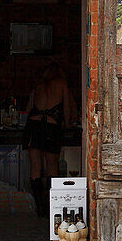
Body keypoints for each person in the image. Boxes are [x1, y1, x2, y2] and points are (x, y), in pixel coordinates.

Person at [24, 63, 76, 215]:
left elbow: (28, 107)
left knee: (35, 168)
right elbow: (66, 107)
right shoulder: (62, 83)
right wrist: (67, 124)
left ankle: (40, 207)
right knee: (52, 166)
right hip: (51, 126)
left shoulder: (39, 85)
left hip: (33, 125)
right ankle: (50, 207)